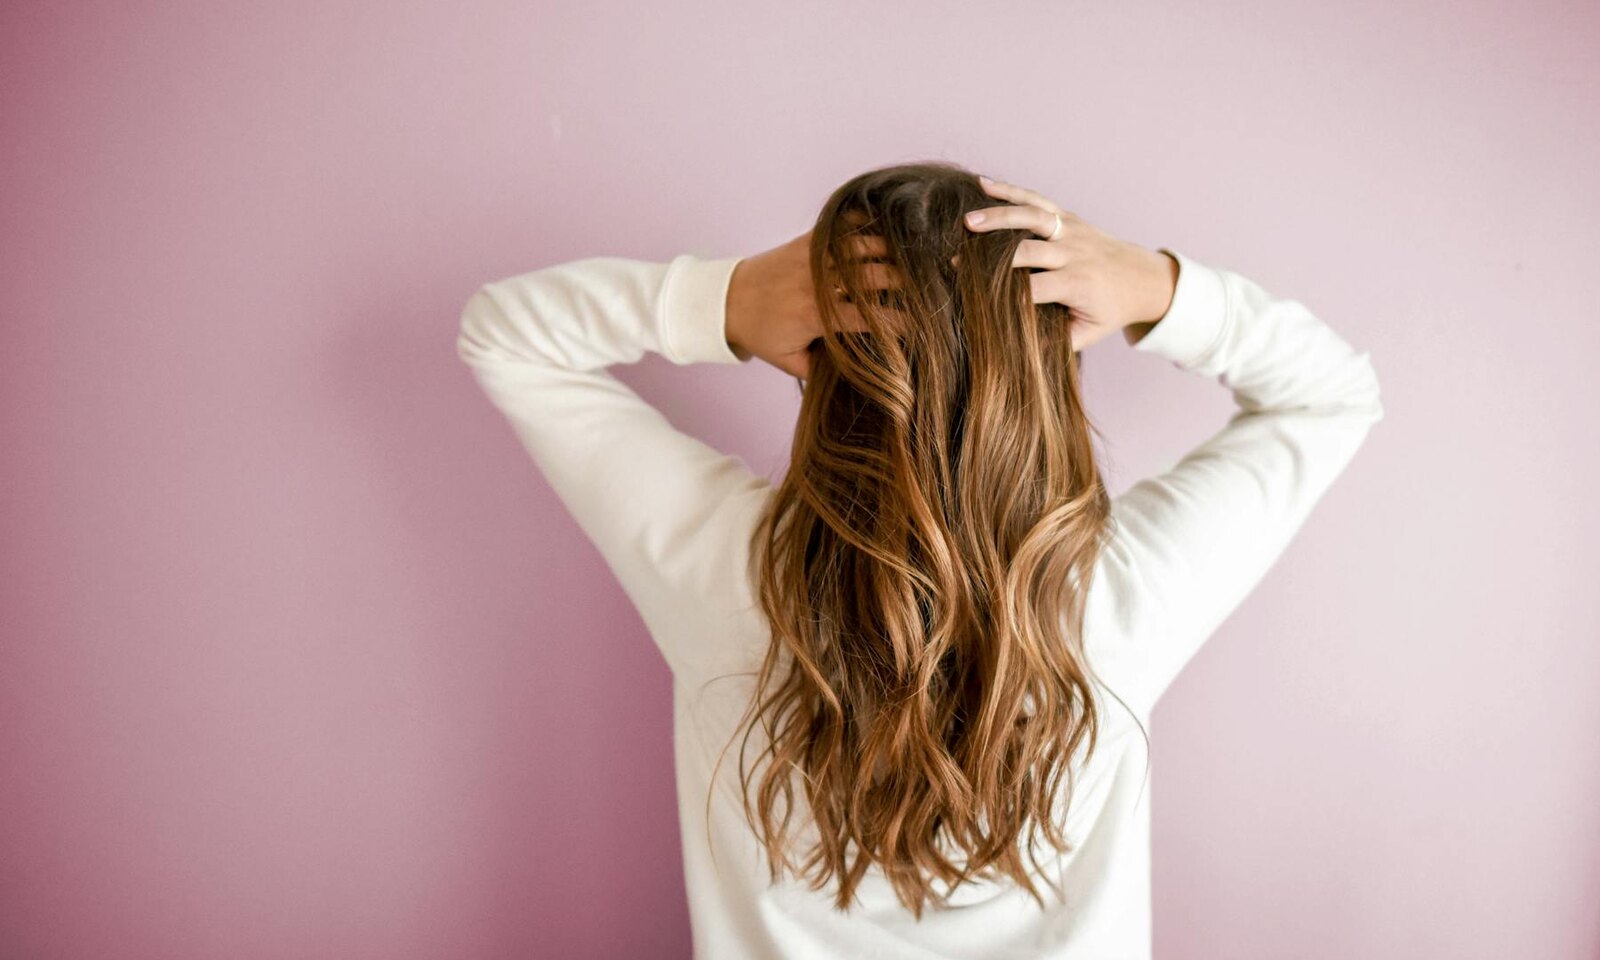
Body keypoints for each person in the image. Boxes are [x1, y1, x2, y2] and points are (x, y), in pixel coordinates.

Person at [455, 161, 1384, 959]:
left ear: (817, 356)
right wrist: (1154, 288)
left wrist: (728, 300)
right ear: (1045, 368)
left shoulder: (730, 573)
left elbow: (505, 333)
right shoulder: (1114, 599)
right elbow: (1332, 395)